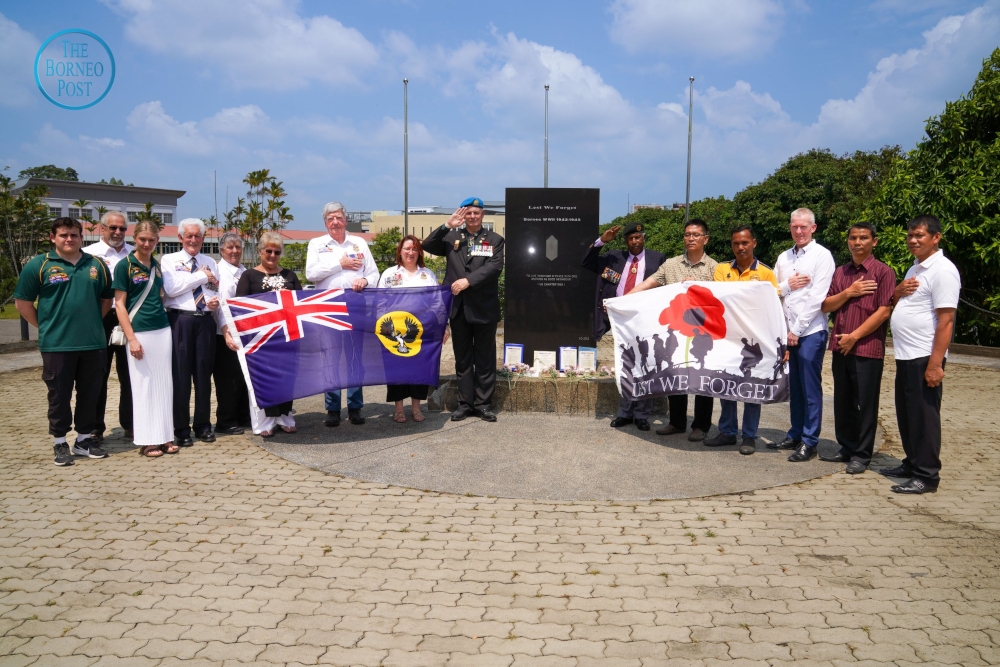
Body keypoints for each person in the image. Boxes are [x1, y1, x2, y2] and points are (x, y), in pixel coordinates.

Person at [14, 217, 113, 465]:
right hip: (57, 344)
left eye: (74, 235)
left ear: (81, 237)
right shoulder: (39, 265)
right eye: (63, 235)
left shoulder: (96, 265)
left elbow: (106, 300)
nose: (69, 239)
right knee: (59, 395)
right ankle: (60, 443)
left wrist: (91, 323)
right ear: (53, 238)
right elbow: (23, 303)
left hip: (93, 343)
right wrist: (46, 325)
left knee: (90, 394)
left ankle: (83, 440)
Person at [880, 215, 960, 494]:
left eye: (920, 236)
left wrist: (936, 364)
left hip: (925, 355)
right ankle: (912, 461)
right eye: (910, 235)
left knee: (924, 416)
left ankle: (927, 476)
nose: (913, 240)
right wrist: (898, 292)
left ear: (936, 237)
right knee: (907, 413)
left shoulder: (943, 270)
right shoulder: (916, 268)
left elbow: (946, 320)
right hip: (906, 354)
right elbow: (899, 301)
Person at [628, 219, 714, 439]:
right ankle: (677, 422)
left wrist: (700, 286)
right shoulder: (671, 265)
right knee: (676, 376)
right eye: (687, 234)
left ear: (705, 238)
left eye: (696, 234)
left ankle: (701, 426)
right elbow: (648, 284)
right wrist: (621, 300)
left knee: (703, 378)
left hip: (704, 334)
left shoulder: (716, 268)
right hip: (675, 332)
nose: (691, 238)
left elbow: (722, 298)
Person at [820, 222, 895, 474]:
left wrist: (854, 336)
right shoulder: (841, 273)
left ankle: (862, 455)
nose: (857, 242)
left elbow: (884, 311)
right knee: (843, 401)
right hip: (841, 346)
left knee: (865, 404)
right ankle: (847, 446)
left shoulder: (883, 272)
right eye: (853, 238)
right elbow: (826, 305)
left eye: (863, 238)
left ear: (874, 241)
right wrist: (850, 292)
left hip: (866, 348)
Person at [423, 197, 505, 422]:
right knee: (463, 359)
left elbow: (494, 267)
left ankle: (484, 404)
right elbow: (427, 245)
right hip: (458, 309)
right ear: (463, 215)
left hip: (483, 308)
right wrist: (446, 225)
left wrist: (468, 281)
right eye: (468, 213)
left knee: (485, 358)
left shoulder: (495, 240)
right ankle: (465, 403)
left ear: (483, 215)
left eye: (476, 213)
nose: (472, 217)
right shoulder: (451, 237)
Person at [582, 221, 666, 431]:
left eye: (638, 237)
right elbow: (587, 262)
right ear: (626, 240)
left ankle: (642, 415)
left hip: (646, 319)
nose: (634, 241)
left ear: (644, 238)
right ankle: (625, 413)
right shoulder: (614, 257)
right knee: (625, 365)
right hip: (620, 321)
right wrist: (602, 241)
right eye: (630, 238)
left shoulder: (657, 258)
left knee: (645, 366)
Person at [705, 226, 778, 455]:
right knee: (725, 385)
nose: (740, 247)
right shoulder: (722, 269)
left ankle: (749, 436)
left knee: (751, 387)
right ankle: (727, 432)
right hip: (726, 338)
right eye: (736, 243)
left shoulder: (766, 273)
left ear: (754, 243)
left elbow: (773, 309)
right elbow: (718, 301)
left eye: (745, 243)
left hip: (755, 341)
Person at [305, 202, 379, 427]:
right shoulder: (316, 244)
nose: (335, 222)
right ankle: (333, 408)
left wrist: (365, 280)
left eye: (338, 217)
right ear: (325, 222)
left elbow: (374, 274)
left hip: (355, 305)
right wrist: (341, 264)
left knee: (355, 357)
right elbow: (311, 274)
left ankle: (355, 407)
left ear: (345, 220)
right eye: (330, 218)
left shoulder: (359, 242)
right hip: (327, 306)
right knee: (331, 358)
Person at [772, 208, 835, 462]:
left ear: (813, 228)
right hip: (788, 332)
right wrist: (787, 286)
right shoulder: (783, 258)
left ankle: (810, 440)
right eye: (795, 226)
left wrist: (796, 331)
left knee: (810, 389)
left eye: (803, 227)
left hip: (810, 331)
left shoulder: (822, 256)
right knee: (794, 388)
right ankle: (795, 433)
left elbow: (818, 298)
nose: (799, 231)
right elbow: (774, 292)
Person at [111, 221, 176, 458]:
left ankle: (165, 435)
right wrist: (132, 339)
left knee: (163, 384)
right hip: (139, 331)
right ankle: (148, 439)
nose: (147, 244)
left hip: (162, 330)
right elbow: (119, 304)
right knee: (143, 386)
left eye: (151, 240)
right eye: (142, 240)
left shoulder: (157, 266)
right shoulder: (124, 265)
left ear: (157, 241)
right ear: (134, 238)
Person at [233, 231, 304, 437]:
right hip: (261, 337)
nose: (272, 255)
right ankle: (265, 421)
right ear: (260, 251)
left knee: (287, 377)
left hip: (287, 336)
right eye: (268, 251)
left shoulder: (290, 275)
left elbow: (300, 302)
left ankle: (284, 416)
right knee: (264, 377)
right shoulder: (248, 276)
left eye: (277, 252)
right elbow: (241, 307)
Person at [162, 218, 221, 448]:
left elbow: (215, 287)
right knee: (181, 377)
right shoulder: (169, 260)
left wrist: (213, 302)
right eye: (189, 236)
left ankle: (203, 425)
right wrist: (200, 276)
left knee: (204, 377)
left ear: (203, 238)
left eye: (198, 236)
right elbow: (171, 289)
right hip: (180, 321)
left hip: (205, 321)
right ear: (180, 238)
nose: (193, 240)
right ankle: (181, 429)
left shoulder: (210, 262)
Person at [377, 235, 449, 422]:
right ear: (400, 251)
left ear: (419, 252)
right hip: (394, 333)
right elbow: (380, 303)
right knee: (397, 370)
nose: (410, 252)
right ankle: (399, 408)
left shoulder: (428, 274)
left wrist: (444, 326)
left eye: (414, 249)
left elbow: (438, 304)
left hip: (422, 332)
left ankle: (416, 408)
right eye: (407, 248)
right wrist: (381, 328)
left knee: (420, 369)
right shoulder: (389, 274)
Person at [83, 210, 134, 443]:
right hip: (99, 318)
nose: (117, 232)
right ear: (102, 228)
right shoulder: (87, 255)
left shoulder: (135, 254)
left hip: (129, 319)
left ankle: (132, 424)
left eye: (122, 228)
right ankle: (94, 428)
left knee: (131, 375)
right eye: (112, 227)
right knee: (96, 375)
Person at [213, 232, 251, 435]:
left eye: (237, 247)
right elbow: (220, 305)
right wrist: (226, 332)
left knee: (244, 377)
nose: (234, 251)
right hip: (224, 333)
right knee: (227, 379)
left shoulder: (245, 271)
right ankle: (225, 420)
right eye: (230, 247)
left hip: (245, 333)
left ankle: (243, 416)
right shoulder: (218, 271)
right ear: (221, 250)